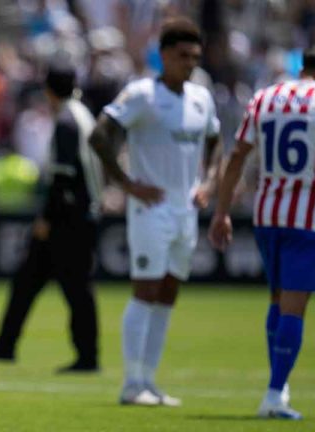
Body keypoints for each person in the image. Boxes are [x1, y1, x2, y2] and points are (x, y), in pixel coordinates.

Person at [208, 46, 315, 420]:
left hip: (266, 213)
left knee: (277, 301)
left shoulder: (264, 97)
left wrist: (222, 211)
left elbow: (238, 156)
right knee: (294, 307)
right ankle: (275, 394)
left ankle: (280, 387)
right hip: (306, 217)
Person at [88, 17, 221, 406]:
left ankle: (149, 380)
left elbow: (216, 142)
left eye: (195, 56)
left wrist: (209, 183)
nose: (190, 63)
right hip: (151, 209)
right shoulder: (142, 94)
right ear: (163, 56)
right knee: (145, 290)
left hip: (185, 211)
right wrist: (127, 184)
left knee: (168, 293)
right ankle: (132, 383)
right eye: (182, 56)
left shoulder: (201, 97)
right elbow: (99, 135)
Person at [0, 64, 104, 372]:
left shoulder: (66, 121)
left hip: (68, 220)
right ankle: (6, 344)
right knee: (30, 281)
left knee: (75, 289)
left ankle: (87, 357)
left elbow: (63, 179)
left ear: (47, 91)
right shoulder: (83, 115)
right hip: (81, 215)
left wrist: (47, 217)